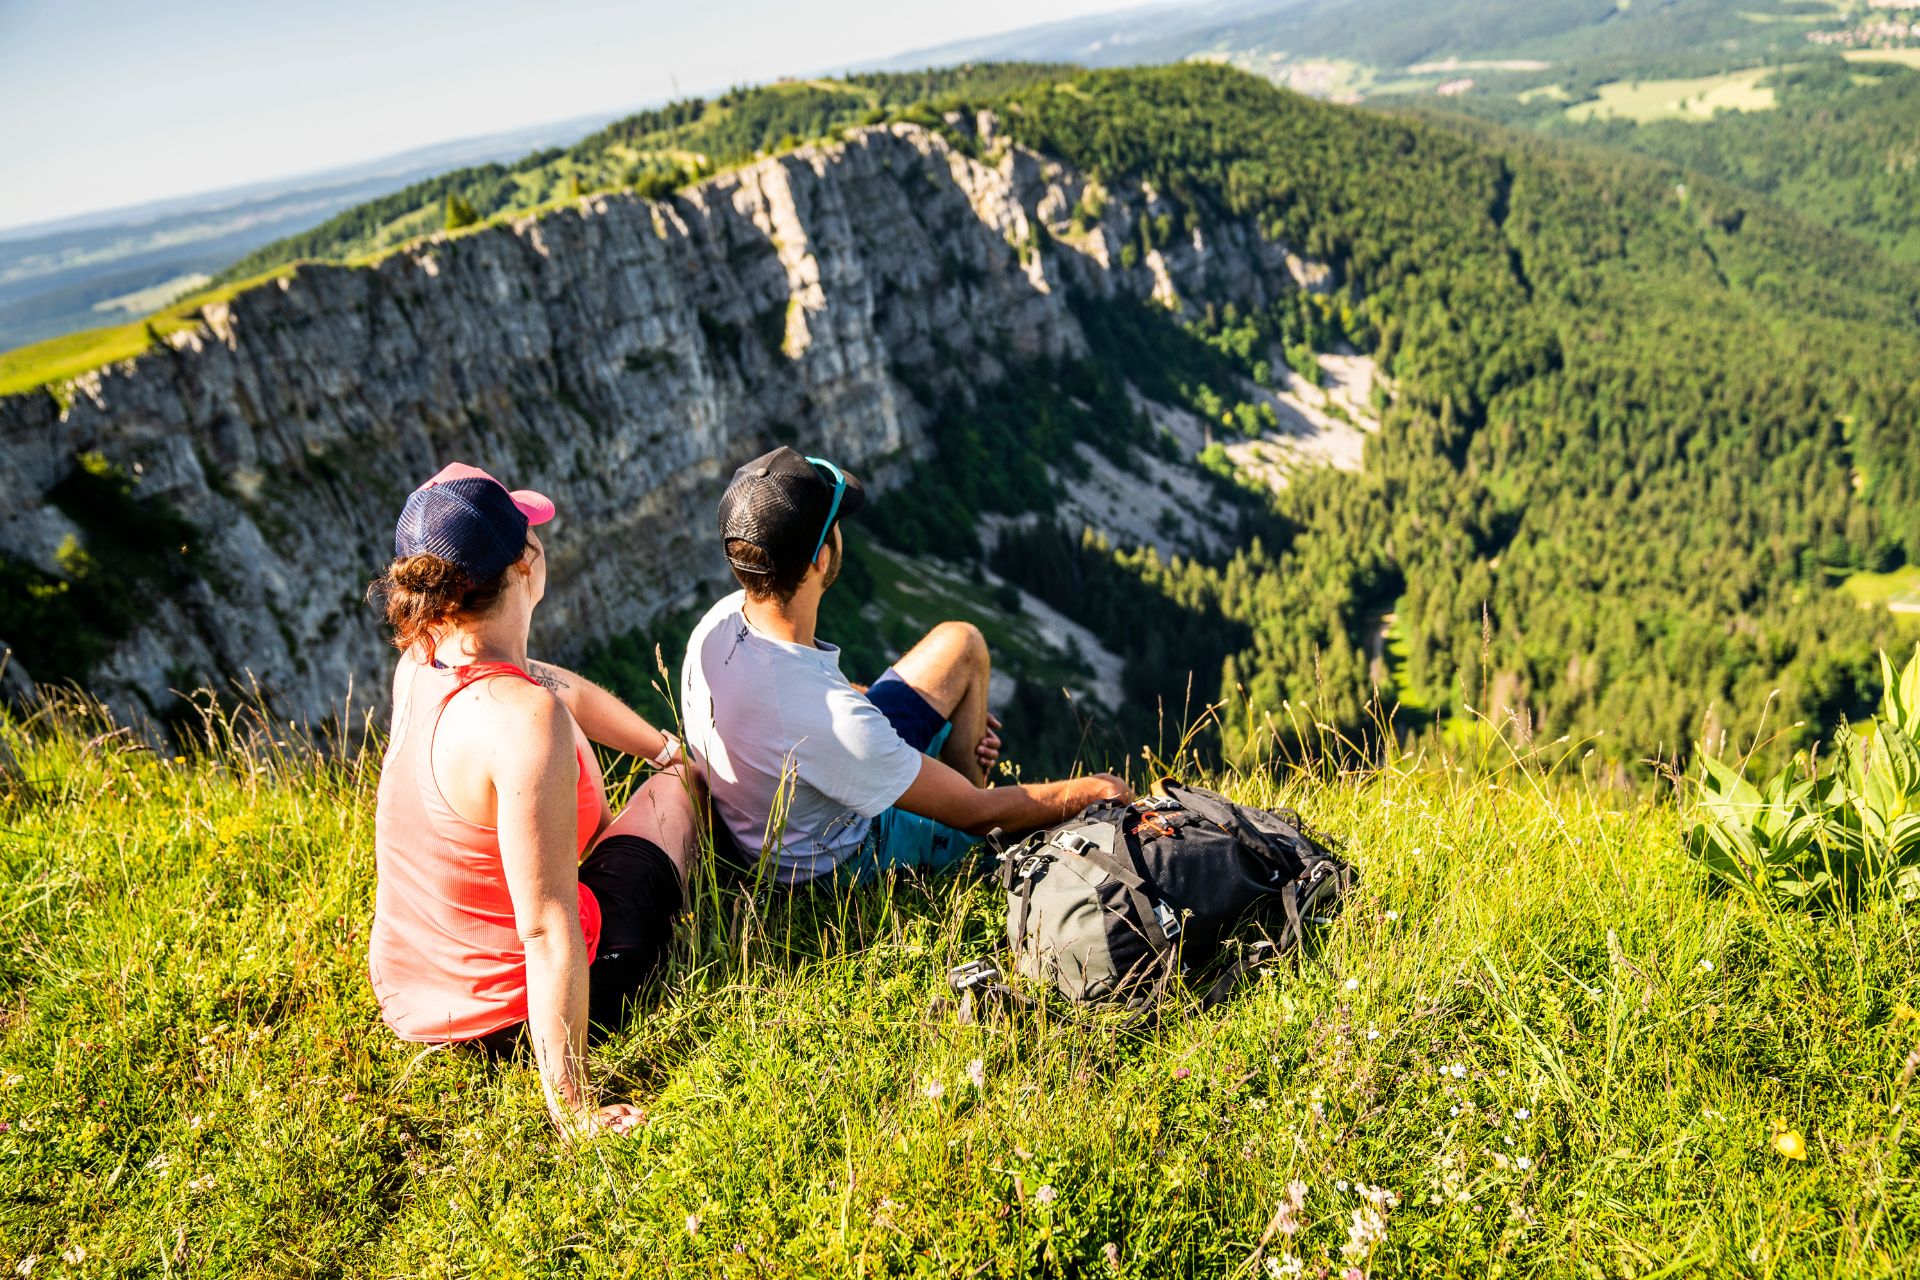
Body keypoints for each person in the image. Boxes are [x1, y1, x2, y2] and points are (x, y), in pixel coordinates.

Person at [366, 462, 699, 1140]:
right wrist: (573, 1110)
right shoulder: (524, 719)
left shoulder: (422, 661)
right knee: (681, 789)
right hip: (509, 1020)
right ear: (524, 563)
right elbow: (546, 928)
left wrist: (657, 745)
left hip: (417, 1000)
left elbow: (549, 681)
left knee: (641, 763)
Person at [681, 446, 1132, 886]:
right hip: (840, 860)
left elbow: (814, 712)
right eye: (836, 525)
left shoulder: (720, 622)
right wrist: (1095, 790)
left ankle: (950, 771)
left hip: (797, 798)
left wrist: (886, 724)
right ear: (821, 558)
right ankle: (979, 854)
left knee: (962, 643)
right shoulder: (826, 718)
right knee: (980, 823)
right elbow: (975, 814)